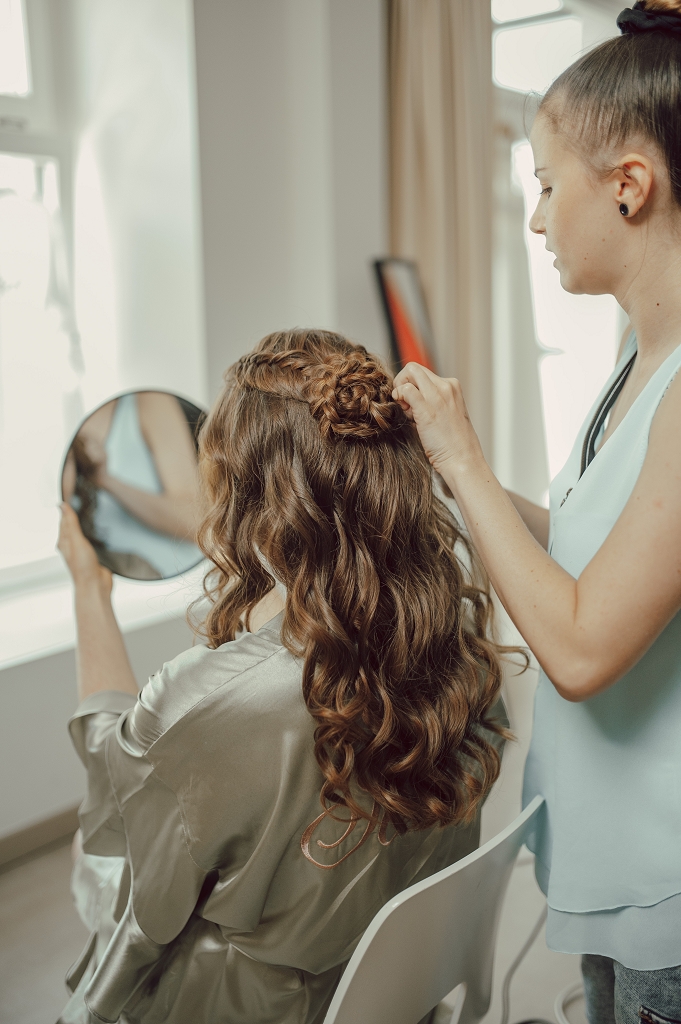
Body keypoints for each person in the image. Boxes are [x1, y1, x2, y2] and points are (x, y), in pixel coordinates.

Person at [56, 329, 510, 1024]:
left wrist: (89, 590)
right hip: (387, 987)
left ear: (252, 499)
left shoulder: (202, 705)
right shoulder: (458, 648)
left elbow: (134, 898)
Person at [392, 3, 681, 1021]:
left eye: (548, 186)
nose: (536, 217)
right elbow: (596, 549)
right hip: (614, 863)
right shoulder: (636, 370)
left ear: (631, 188)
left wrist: (468, 462)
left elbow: (586, 645)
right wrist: (441, 467)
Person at [62, 391, 203, 579]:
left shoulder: (148, 402)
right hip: (109, 588)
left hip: (176, 583)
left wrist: (105, 480)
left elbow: (196, 522)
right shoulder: (61, 418)